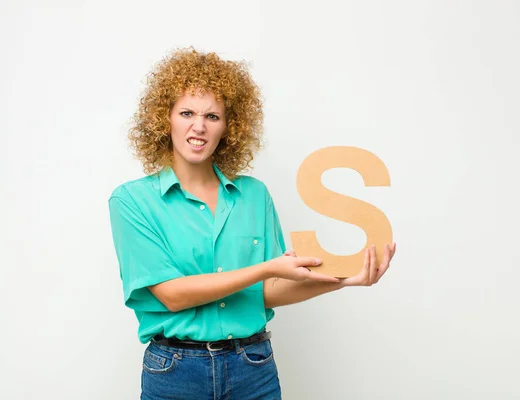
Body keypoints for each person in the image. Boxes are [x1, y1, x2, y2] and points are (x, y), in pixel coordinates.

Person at [108, 47, 396, 400]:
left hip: (253, 368)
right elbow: (171, 295)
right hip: (175, 371)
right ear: (164, 119)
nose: (199, 126)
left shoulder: (254, 195)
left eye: (213, 116)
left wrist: (346, 280)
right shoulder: (132, 201)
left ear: (229, 126)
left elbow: (270, 289)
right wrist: (264, 269)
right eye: (186, 113)